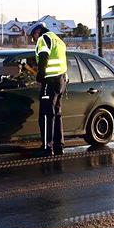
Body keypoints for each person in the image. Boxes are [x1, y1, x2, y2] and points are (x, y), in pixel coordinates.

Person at [27, 21, 68, 156]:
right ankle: (59, 146)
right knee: (57, 114)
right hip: (61, 80)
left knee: (46, 115)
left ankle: (46, 148)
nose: (34, 40)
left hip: (50, 81)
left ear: (38, 31)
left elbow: (44, 57)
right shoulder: (57, 40)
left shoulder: (43, 39)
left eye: (33, 36)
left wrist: (40, 76)